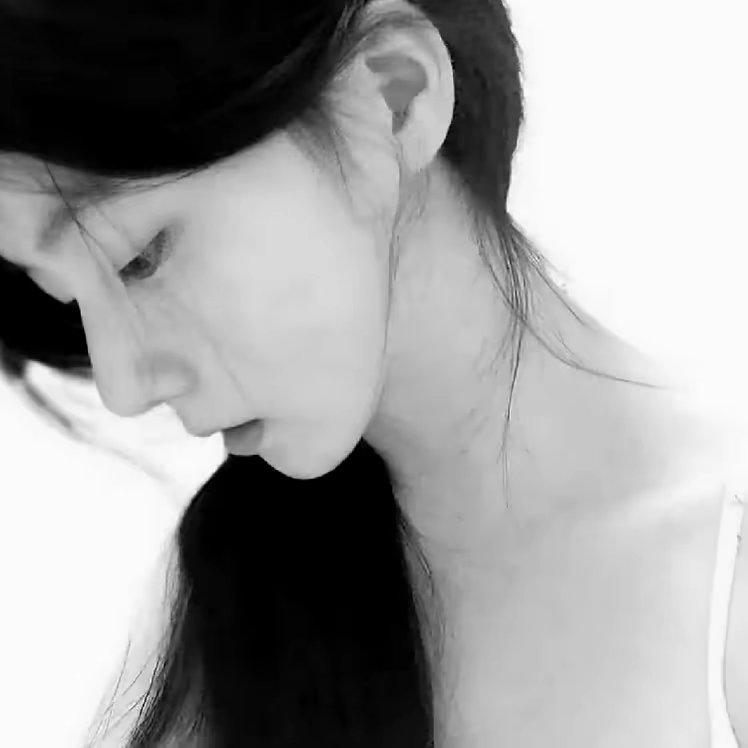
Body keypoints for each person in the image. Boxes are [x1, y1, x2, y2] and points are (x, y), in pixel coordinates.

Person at [0, 0, 745, 745]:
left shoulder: (720, 575)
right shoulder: (228, 605)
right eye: (65, 297)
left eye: (139, 258)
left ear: (392, 95)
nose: (123, 386)